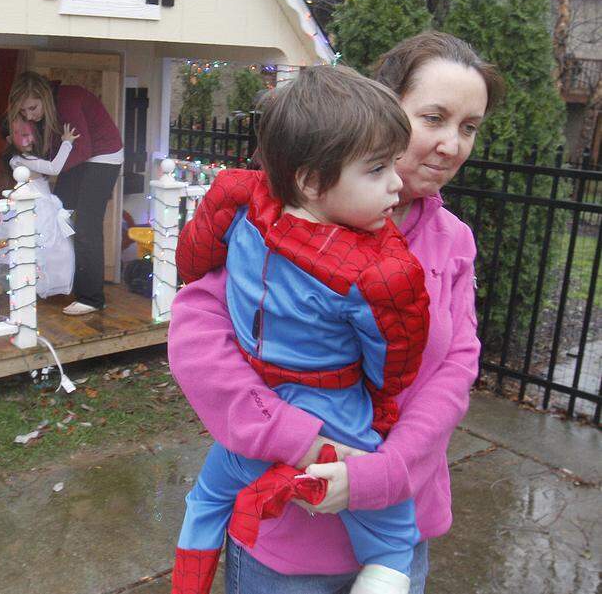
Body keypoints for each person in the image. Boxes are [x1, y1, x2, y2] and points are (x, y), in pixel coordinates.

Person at [168, 31, 503, 594]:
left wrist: (385, 472)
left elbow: (455, 369)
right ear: (380, 107)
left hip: (399, 520)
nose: (452, 144)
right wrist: (297, 439)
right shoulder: (278, 222)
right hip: (286, 533)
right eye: (434, 118)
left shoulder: (453, 241)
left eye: (468, 127)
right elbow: (199, 339)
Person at [6, 72, 124, 315]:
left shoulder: (69, 102)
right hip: (81, 157)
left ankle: (92, 298)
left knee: (86, 224)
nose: (29, 116)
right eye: (24, 112)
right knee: (58, 212)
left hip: (104, 156)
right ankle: (61, 281)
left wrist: (47, 170)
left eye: (32, 108)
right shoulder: (46, 110)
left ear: (44, 97)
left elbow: (81, 149)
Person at [0, 115, 78, 298]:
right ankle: (31, 287)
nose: (26, 138)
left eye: (27, 132)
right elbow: (53, 168)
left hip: (45, 204)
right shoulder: (18, 159)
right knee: (36, 248)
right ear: (10, 139)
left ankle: (46, 285)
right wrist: (67, 143)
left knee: (57, 249)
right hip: (35, 208)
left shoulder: (28, 157)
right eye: (18, 134)